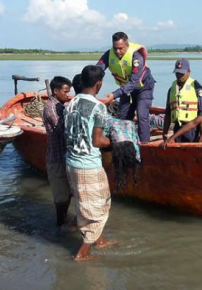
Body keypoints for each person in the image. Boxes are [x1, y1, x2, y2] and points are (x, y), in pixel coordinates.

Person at [64, 65, 119, 261]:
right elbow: (97, 141)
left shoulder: (70, 103)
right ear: (99, 84)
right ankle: (82, 253)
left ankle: (100, 240)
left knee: (84, 204)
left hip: (71, 163)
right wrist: (116, 143)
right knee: (100, 208)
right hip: (88, 165)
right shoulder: (98, 107)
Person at [96, 31, 156, 142]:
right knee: (123, 117)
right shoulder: (109, 54)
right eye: (115, 48)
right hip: (126, 89)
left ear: (127, 45)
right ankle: (124, 143)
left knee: (142, 115)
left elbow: (133, 82)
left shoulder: (136, 57)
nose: (118, 51)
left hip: (143, 87)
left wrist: (114, 95)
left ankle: (144, 146)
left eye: (121, 48)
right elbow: (97, 70)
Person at [42, 76, 72, 227]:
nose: (68, 95)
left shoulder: (60, 105)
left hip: (64, 157)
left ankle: (63, 222)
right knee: (61, 197)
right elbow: (62, 129)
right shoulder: (51, 108)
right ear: (55, 91)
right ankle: (60, 226)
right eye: (65, 92)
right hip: (57, 158)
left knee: (68, 194)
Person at [162, 59, 202, 142]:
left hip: (192, 129)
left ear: (189, 72)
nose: (179, 76)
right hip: (177, 128)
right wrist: (165, 132)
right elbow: (168, 112)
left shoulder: (197, 89)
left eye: (182, 73)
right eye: (177, 73)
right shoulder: (172, 89)